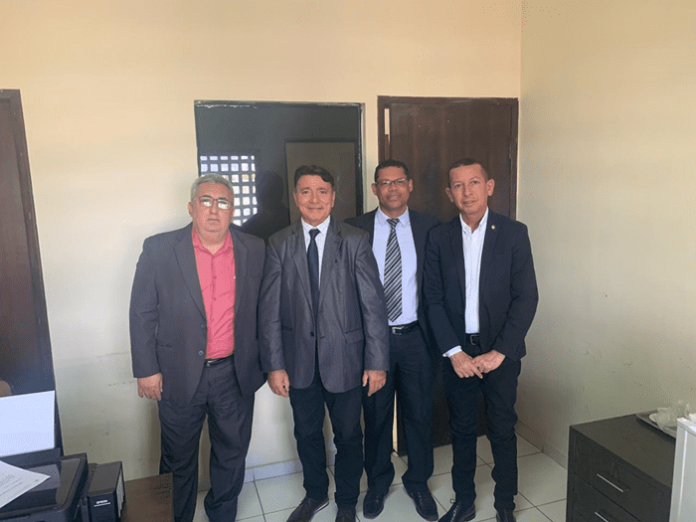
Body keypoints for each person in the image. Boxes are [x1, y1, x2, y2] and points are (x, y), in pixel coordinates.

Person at [130, 174, 266, 522]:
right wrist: (146, 369)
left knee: (231, 453)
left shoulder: (254, 248)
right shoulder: (159, 249)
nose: (214, 210)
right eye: (206, 201)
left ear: (233, 209)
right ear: (191, 207)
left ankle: (222, 513)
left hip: (234, 372)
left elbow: (265, 309)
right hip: (177, 373)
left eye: (223, 202)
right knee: (177, 457)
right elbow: (142, 311)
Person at [259, 165, 390, 522]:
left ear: (333, 198)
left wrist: (377, 362)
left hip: (345, 359)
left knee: (348, 436)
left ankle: (346, 500)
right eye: (306, 191)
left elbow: (373, 306)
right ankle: (315, 493)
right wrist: (274, 365)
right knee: (306, 433)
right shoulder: (279, 243)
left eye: (321, 191)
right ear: (295, 197)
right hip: (298, 362)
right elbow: (269, 311)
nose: (314, 199)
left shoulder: (354, 240)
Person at [423, 159, 538, 522]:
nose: (467, 192)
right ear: (449, 193)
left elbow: (526, 297)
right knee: (461, 429)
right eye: (458, 185)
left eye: (474, 182)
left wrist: (500, 351)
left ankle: (505, 503)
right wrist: (454, 353)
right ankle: (464, 500)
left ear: (489, 186)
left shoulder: (513, 233)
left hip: (500, 352)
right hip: (458, 353)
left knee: (502, 429)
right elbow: (432, 300)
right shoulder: (438, 237)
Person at [345, 160, 439, 520]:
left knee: (419, 415)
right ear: (375, 189)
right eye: (385, 183)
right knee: (376, 417)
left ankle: (418, 482)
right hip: (374, 341)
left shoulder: (431, 228)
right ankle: (378, 483)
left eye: (399, 181)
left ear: (410, 185)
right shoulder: (354, 229)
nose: (393, 188)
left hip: (417, 339)